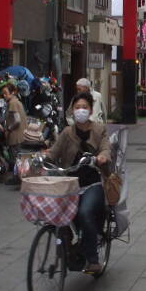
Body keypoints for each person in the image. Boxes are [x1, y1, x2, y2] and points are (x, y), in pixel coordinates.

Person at [48, 91, 112, 274]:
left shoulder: (99, 130)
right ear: (72, 111)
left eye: (84, 107)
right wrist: (41, 158)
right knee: (57, 216)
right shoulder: (67, 133)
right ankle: (69, 248)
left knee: (85, 213)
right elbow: (54, 153)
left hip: (92, 185)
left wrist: (102, 156)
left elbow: (107, 148)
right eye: (77, 108)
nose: (81, 111)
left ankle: (93, 259)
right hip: (70, 185)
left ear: (91, 110)